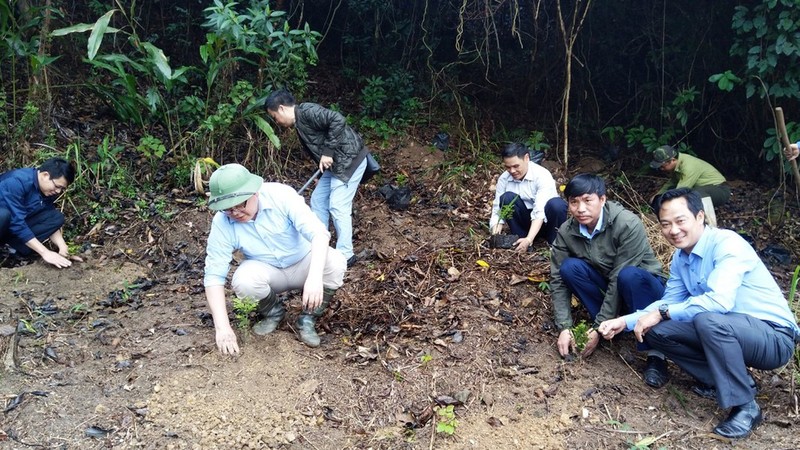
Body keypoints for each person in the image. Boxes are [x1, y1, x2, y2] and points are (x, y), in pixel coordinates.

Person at [597, 188, 800, 439]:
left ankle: (746, 407)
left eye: (681, 221)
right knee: (656, 331)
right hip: (728, 328)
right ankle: (721, 381)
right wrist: (623, 321)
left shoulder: (728, 244)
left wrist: (663, 312)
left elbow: (719, 302)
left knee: (707, 319)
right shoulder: (681, 258)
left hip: (773, 337)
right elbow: (668, 302)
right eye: (665, 224)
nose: (673, 230)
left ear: (700, 217)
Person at [203, 164, 347, 354]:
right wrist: (222, 328)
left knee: (335, 261)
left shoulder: (281, 195)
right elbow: (214, 275)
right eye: (228, 209)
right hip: (268, 271)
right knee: (243, 280)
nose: (236, 213)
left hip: (304, 261)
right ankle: (273, 313)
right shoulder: (222, 222)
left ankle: (308, 318)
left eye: (240, 204)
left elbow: (319, 234)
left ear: (254, 192)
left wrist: (314, 278)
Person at [550, 174, 668, 384]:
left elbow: (618, 277)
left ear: (602, 200)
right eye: (574, 202)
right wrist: (564, 326)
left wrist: (596, 327)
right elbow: (558, 279)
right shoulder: (568, 231)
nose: (580, 208)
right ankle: (612, 330)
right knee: (569, 268)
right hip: (614, 290)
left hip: (647, 290)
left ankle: (656, 354)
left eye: (588, 200)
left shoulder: (626, 223)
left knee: (628, 275)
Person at [266, 89, 369, 268]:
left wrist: (328, 153)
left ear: (281, 109)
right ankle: (321, 246)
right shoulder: (299, 122)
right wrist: (323, 167)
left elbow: (338, 119)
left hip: (350, 160)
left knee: (338, 206)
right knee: (318, 200)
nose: (277, 122)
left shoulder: (306, 111)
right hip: (336, 164)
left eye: (274, 117)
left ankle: (346, 254)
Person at [489, 143, 567, 252]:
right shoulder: (504, 179)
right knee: (506, 198)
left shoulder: (542, 175)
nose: (512, 171)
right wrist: (495, 235)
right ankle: (519, 240)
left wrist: (529, 239)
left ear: (526, 158)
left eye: (516, 166)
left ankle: (554, 242)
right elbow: (498, 209)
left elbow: (539, 211)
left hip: (546, 221)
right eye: (508, 167)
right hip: (524, 222)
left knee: (557, 204)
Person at [0, 157, 75, 269]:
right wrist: (45, 252)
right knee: (3, 215)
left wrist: (63, 247)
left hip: (9, 229)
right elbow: (16, 222)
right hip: (4, 221)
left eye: (62, 189)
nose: (58, 191)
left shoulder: (46, 190)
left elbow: (47, 213)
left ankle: (10, 250)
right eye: (57, 186)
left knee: (56, 217)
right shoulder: (16, 182)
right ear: (45, 175)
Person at [649, 145, 730, 208]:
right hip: (704, 189)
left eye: (662, 166)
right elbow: (671, 183)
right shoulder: (677, 165)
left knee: (692, 194)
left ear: (672, 160)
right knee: (669, 192)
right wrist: (657, 196)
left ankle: (707, 221)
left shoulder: (688, 166)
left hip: (720, 190)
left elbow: (681, 190)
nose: (661, 169)